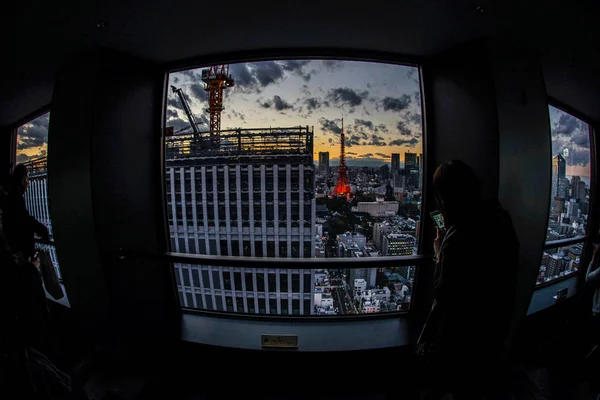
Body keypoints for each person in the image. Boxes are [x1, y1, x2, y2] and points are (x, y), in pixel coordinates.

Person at [416, 160, 519, 399]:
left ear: (445, 197)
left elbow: (444, 292)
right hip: (495, 324)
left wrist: (440, 253)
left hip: (461, 334)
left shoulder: (458, 237)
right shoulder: (500, 218)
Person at [2, 164, 49, 260]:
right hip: (19, 250)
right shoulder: (15, 198)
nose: (28, 183)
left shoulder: (9, 196)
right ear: (23, 180)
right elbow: (24, 219)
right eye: (27, 179)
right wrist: (42, 230)